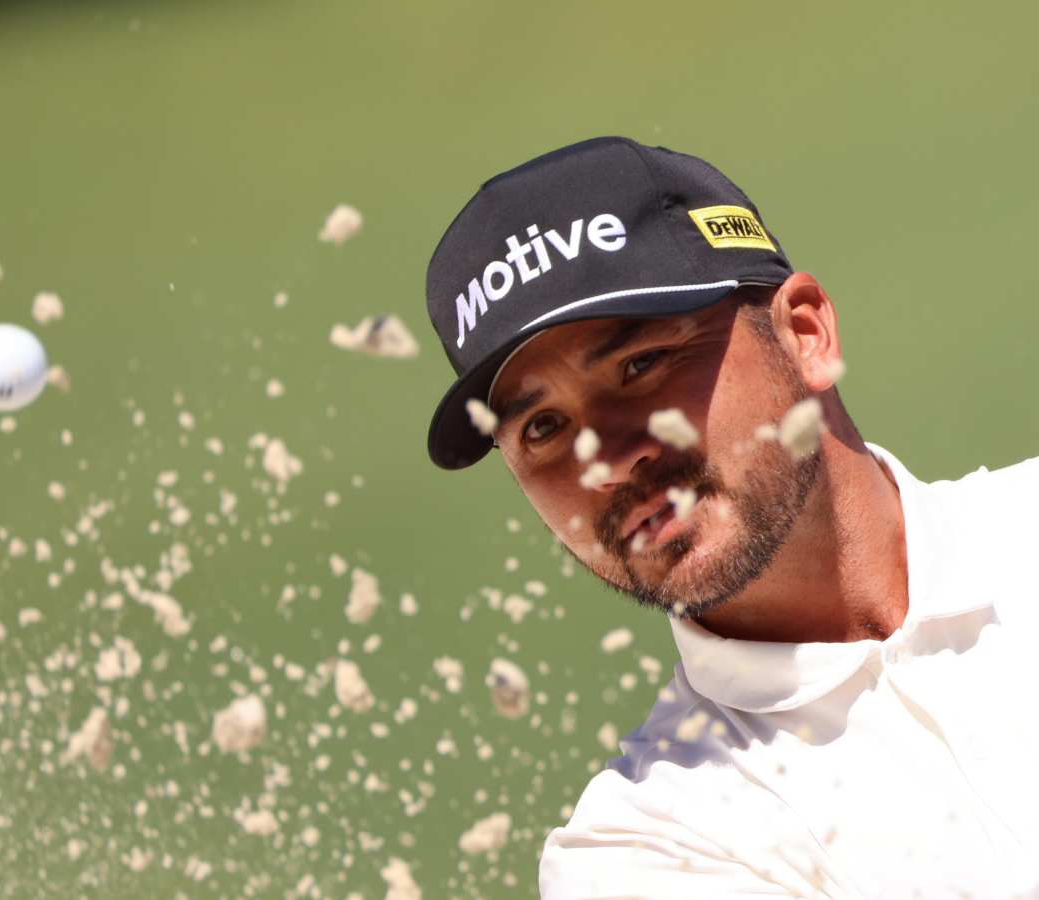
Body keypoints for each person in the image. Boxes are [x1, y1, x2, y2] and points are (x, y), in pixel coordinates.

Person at [423, 136, 1039, 898]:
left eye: (642, 365)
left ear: (805, 334)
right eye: (542, 430)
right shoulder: (645, 852)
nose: (606, 459)